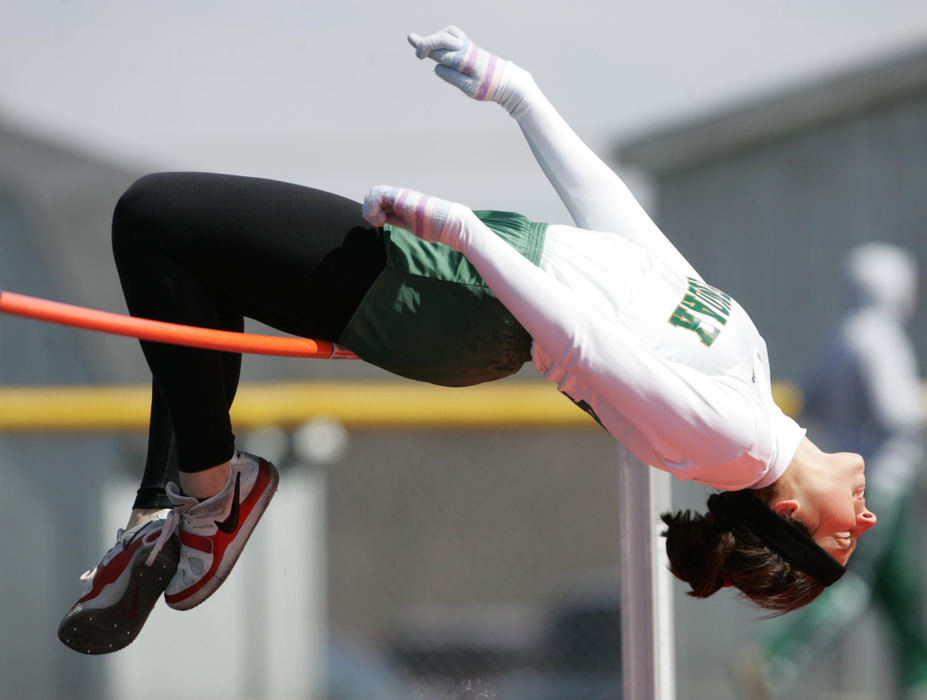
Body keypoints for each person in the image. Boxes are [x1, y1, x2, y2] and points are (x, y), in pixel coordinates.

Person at [58, 26, 877, 655]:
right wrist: (520, 97)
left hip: (458, 298)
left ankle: (208, 499)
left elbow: (586, 344)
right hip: (471, 277)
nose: (868, 519)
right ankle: (186, 498)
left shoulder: (727, 446)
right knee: (196, 265)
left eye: (843, 535)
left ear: (790, 512)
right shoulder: (753, 381)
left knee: (156, 218)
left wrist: (463, 234)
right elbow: (636, 247)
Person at [738, 243, 926, 698]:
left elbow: (809, 399)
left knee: (900, 595)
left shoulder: (840, 335)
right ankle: (776, 657)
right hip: (882, 480)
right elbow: (895, 410)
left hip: (843, 476)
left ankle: (918, 680)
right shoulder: (879, 336)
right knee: (854, 584)